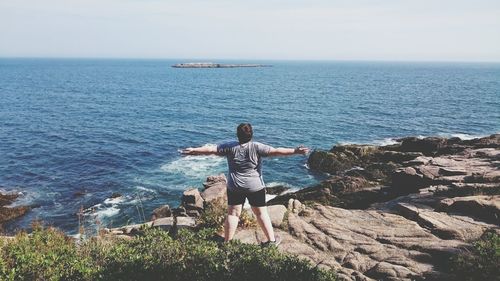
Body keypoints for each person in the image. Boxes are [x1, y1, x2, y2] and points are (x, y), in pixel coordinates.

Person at [181, 123, 309, 246]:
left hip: (235, 187)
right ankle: (271, 241)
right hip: (255, 187)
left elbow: (211, 149)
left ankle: (227, 242)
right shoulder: (257, 147)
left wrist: (194, 150)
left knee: (233, 214)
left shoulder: (230, 146)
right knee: (261, 213)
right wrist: (296, 151)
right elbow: (276, 151)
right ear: (251, 135)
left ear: (237, 135)